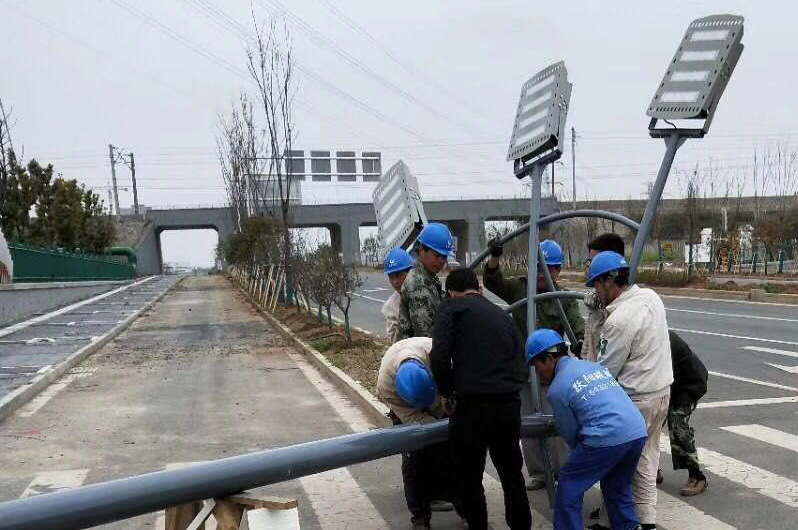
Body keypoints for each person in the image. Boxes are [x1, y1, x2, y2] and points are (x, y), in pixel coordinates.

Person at [430, 267, 531, 530]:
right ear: (478, 288)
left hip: (471, 407)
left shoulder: (451, 309)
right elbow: (520, 356)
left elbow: (439, 357)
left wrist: (446, 393)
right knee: (512, 474)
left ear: (451, 293)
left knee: (470, 477)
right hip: (508, 405)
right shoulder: (501, 314)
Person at [484, 238, 584, 490]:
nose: (544, 274)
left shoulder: (562, 297)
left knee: (556, 422)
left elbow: (576, 323)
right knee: (528, 423)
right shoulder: (519, 288)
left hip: (550, 371)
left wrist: (580, 340)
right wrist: (494, 257)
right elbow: (492, 281)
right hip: (523, 369)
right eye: (539, 268)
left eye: (550, 268)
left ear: (558, 270)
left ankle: (563, 472)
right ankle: (539, 472)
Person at [526, 328, 647, 530]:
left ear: (549, 358)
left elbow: (571, 434)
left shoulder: (557, 389)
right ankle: (628, 526)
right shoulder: (592, 367)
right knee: (617, 485)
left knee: (568, 484)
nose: (536, 372)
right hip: (636, 431)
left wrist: (582, 457)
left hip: (606, 436)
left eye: (535, 364)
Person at [587, 251, 673, 530]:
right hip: (661, 394)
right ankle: (646, 521)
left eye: (596, 285)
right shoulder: (651, 297)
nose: (595, 292)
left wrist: (595, 320)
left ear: (609, 280)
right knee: (647, 461)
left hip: (634, 401)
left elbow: (604, 372)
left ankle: (614, 522)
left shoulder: (618, 321)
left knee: (616, 466)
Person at [376, 337, 461, 529]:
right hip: (406, 409)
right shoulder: (387, 385)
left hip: (440, 388)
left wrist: (448, 401)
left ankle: (466, 509)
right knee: (414, 457)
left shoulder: (440, 356)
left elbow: (458, 383)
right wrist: (437, 429)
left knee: (454, 454)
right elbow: (416, 420)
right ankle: (420, 517)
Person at [661, 330, 709, 496]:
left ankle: (697, 476)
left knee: (677, 423)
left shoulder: (661, 337)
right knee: (649, 424)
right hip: (670, 385)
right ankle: (651, 470)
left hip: (689, 384)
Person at [397, 223, 455, 341]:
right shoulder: (418, 284)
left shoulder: (427, 276)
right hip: (420, 350)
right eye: (437, 255)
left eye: (444, 257)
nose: (441, 261)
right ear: (421, 250)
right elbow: (425, 337)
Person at [582, 233, 626, 362]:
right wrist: (594, 311)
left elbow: (601, 362)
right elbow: (587, 354)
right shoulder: (602, 298)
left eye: (594, 262)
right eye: (589, 262)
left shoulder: (619, 315)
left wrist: (596, 315)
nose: (590, 268)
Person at [381, 248, 415, 344]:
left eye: (398, 275)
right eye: (391, 277)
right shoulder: (390, 307)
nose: (395, 281)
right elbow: (395, 342)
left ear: (410, 272)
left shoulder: (426, 291)